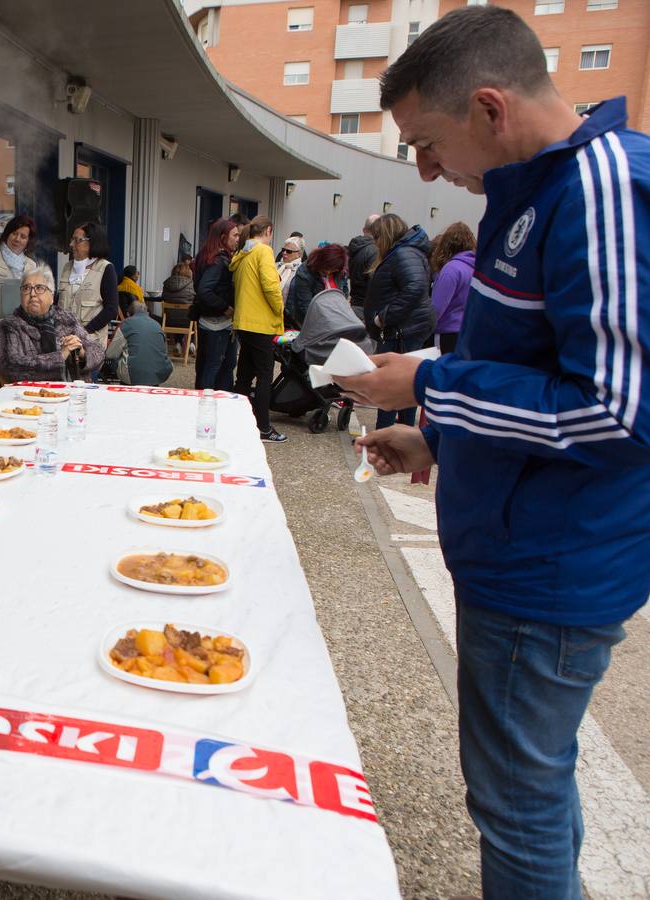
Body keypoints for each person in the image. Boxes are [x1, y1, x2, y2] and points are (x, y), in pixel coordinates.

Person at [339, 9, 649, 899]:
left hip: (547, 571)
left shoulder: (597, 192)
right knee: (535, 793)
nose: (429, 171)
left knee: (517, 811)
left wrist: (432, 390)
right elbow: (536, 369)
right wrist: (436, 439)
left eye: (428, 145)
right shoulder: (541, 194)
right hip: (527, 550)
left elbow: (621, 415)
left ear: (488, 108)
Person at [362, 213, 433, 429]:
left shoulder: (403, 255)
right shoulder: (406, 253)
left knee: (392, 386)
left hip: (401, 331)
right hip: (403, 329)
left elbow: (415, 288)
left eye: (376, 238)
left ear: (384, 236)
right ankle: (396, 432)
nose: (374, 243)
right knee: (403, 387)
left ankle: (387, 435)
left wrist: (383, 317)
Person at [230, 216, 288, 442]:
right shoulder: (263, 252)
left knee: (244, 375)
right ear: (269, 231)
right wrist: (279, 309)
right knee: (264, 376)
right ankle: (263, 427)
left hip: (244, 321)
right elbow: (271, 286)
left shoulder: (243, 255)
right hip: (261, 323)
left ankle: (236, 422)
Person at [0, 264, 104, 383]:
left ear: (52, 296)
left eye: (39, 288)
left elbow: (98, 351)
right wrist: (60, 356)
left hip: (72, 393)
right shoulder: (10, 325)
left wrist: (82, 352)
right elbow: (11, 367)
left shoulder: (66, 318)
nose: (32, 294)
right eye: (26, 288)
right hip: (30, 396)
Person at [192, 217, 240, 390]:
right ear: (222, 237)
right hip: (218, 324)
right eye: (234, 235)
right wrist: (225, 307)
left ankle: (205, 403)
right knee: (215, 367)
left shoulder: (206, 256)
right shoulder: (219, 261)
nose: (237, 239)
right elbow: (204, 290)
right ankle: (208, 405)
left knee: (209, 366)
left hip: (210, 322)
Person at [58, 221, 119, 346]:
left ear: (92, 243)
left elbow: (111, 309)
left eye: (77, 240)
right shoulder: (67, 267)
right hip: (64, 341)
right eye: (72, 240)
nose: (71, 244)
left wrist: (84, 331)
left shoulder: (106, 268)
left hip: (90, 343)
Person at [428, 221, 476, 353]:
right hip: (464, 331)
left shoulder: (451, 269)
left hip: (446, 334)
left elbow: (436, 308)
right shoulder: (474, 268)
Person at [107, 298, 174, 386]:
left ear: (128, 314)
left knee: (114, 360)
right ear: (147, 313)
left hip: (133, 375)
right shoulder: (157, 325)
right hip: (160, 374)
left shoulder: (126, 324)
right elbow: (163, 352)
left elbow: (110, 354)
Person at [286, 243, 350, 329]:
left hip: (335, 320)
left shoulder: (339, 270)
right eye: (328, 269)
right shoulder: (305, 272)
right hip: (314, 322)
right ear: (322, 262)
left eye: (335, 270)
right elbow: (306, 306)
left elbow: (344, 291)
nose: (329, 272)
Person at [347, 214, 380, 311]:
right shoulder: (375, 251)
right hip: (366, 306)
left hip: (355, 302)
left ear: (364, 229)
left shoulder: (354, 248)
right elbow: (373, 282)